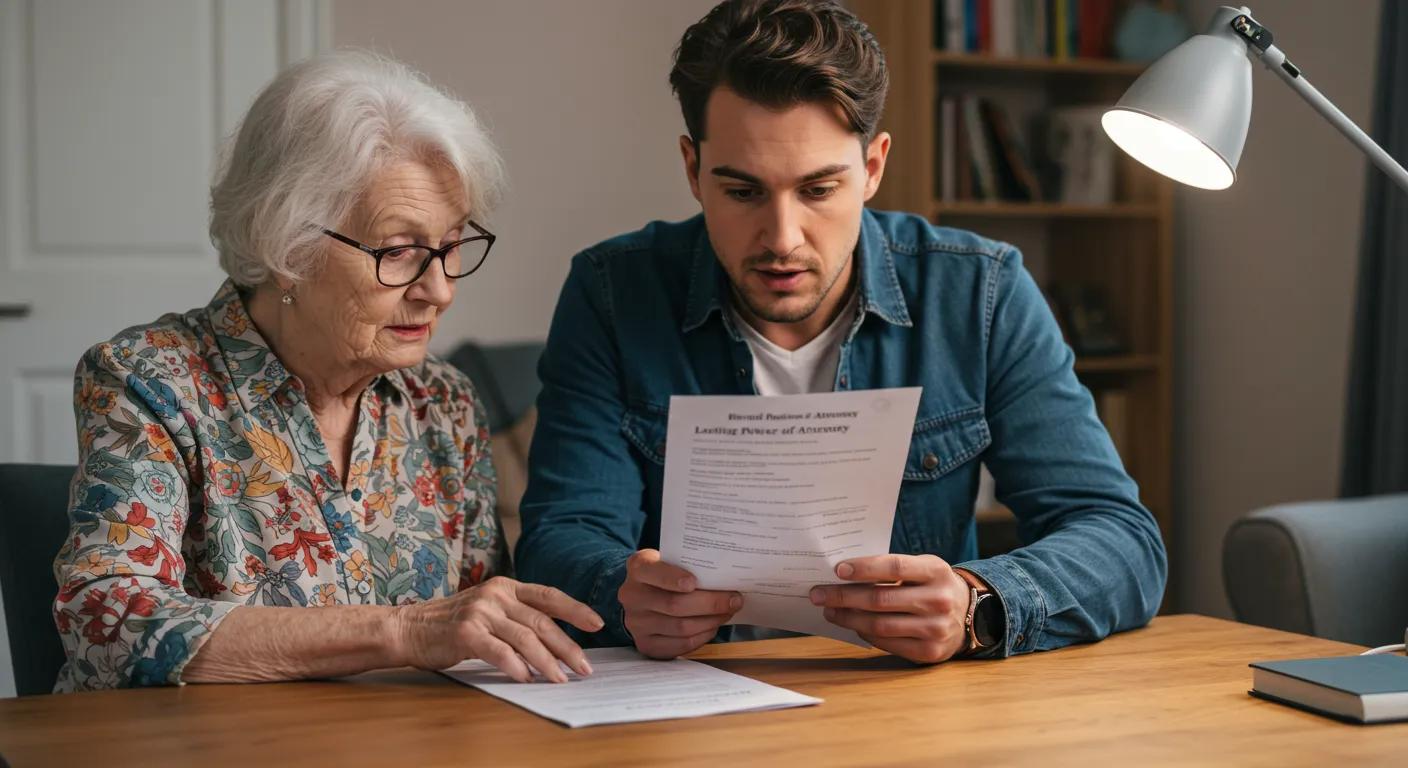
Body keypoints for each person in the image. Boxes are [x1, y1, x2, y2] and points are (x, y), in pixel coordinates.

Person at [515, 0, 1167, 664]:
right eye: (742, 192)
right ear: (693, 170)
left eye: (819, 190)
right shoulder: (612, 294)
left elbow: (1122, 541)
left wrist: (977, 605)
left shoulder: (979, 292)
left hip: (908, 701)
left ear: (873, 168)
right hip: (690, 701)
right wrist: (624, 595)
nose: (782, 239)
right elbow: (559, 539)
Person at [52, 51, 600, 692]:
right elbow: (108, 622)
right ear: (286, 247)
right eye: (399, 251)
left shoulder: (443, 402)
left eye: (452, 246)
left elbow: (482, 637)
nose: (440, 290)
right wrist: (402, 631)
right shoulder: (149, 382)